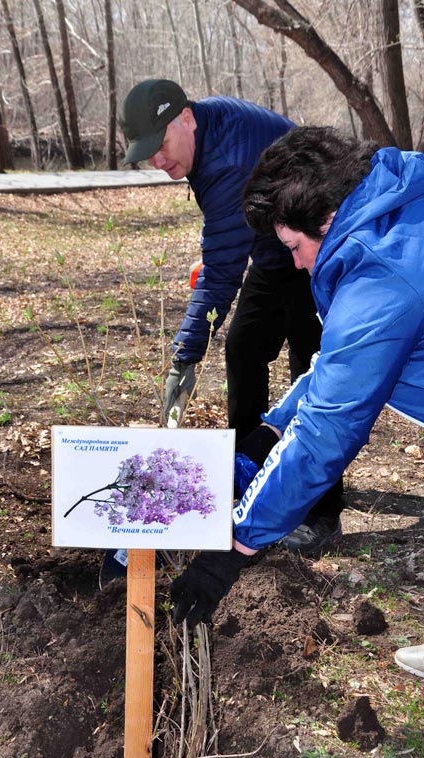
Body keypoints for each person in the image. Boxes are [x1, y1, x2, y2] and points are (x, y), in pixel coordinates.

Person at [170, 125, 424, 689]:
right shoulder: (398, 202)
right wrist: (266, 433)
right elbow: (335, 369)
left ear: (327, 217)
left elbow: (327, 433)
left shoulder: (383, 276)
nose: (298, 265)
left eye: (294, 248)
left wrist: (235, 548)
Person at [117, 80, 344, 552]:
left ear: (185, 117)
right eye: (147, 154)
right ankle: (248, 471)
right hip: (272, 248)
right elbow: (226, 246)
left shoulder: (226, 161)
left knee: (313, 371)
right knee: (244, 347)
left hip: (318, 250)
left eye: (159, 146)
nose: (157, 162)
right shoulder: (208, 130)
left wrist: (187, 351)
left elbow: (222, 271)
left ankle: (322, 510)